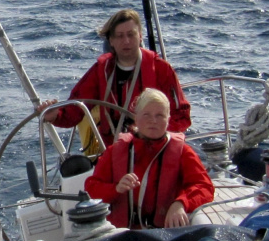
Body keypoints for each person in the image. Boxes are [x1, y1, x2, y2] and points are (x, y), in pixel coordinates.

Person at [40, 9, 190, 149]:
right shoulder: (101, 71)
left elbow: (181, 116)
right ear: (111, 40)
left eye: (131, 34)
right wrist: (55, 116)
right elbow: (75, 110)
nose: (126, 41)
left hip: (156, 150)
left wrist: (154, 134)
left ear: (140, 36)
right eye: (120, 36)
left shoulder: (161, 69)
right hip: (116, 152)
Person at [83, 89, 213, 229]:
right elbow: (91, 189)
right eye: (147, 115)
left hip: (166, 233)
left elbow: (204, 187)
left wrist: (181, 203)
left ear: (168, 119)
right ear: (136, 118)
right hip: (123, 234)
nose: (153, 121)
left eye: (160, 115)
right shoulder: (115, 152)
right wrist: (116, 188)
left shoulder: (182, 152)